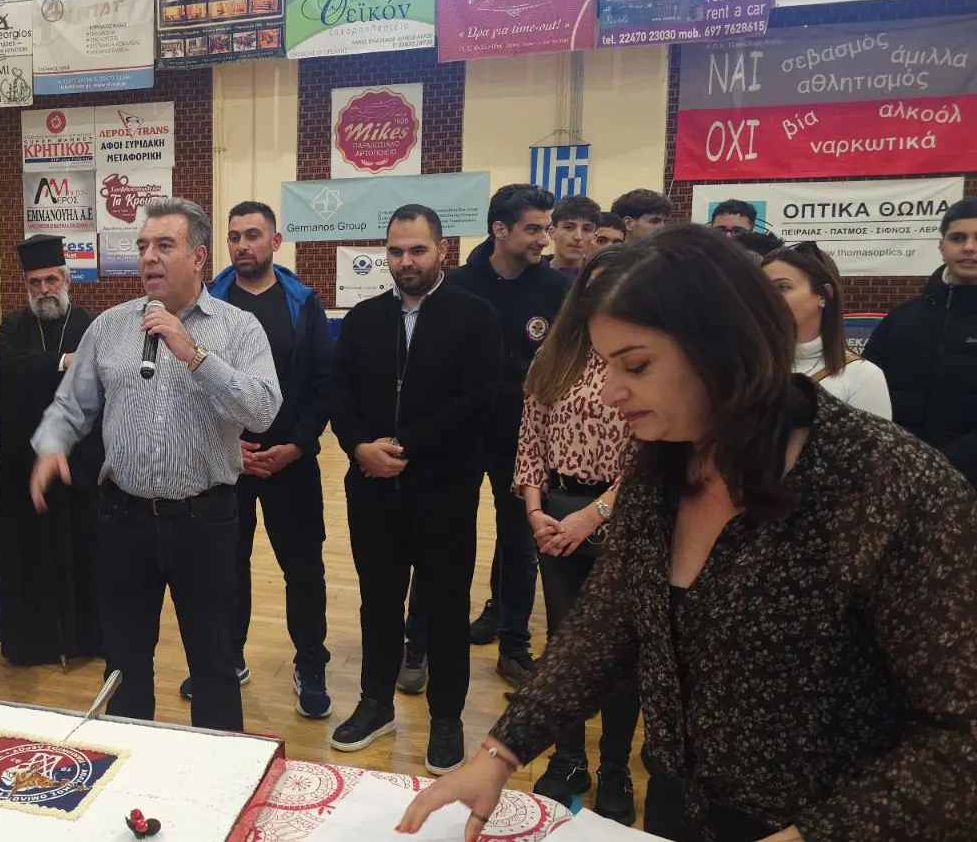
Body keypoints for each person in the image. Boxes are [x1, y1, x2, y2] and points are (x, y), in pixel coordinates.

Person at [399, 224, 977, 842]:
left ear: (724, 346)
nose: (611, 392)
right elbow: (607, 624)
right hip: (681, 801)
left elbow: (958, 740)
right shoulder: (663, 466)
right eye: (605, 364)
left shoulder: (893, 485)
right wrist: (500, 752)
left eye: (636, 365)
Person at [30, 197, 281, 732]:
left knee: (214, 664)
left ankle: (220, 770)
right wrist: (52, 445)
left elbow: (262, 410)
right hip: (123, 521)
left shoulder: (239, 329)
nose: (149, 257)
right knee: (123, 666)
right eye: (143, 246)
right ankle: (129, 767)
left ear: (198, 257)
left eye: (165, 246)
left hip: (205, 522)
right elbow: (71, 406)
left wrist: (194, 354)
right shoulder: (111, 327)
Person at [327, 204, 501, 773]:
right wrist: (359, 446)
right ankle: (375, 703)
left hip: (443, 490)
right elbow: (339, 392)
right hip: (371, 489)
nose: (406, 261)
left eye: (417, 250)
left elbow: (477, 402)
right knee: (378, 602)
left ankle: (446, 718)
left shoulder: (475, 316)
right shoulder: (363, 318)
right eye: (396, 251)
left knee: (446, 608)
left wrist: (405, 448)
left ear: (441, 250)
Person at [513, 248, 640, 824]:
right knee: (566, 643)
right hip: (556, 513)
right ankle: (568, 759)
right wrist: (535, 510)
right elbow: (530, 439)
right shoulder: (555, 352)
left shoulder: (645, 355)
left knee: (619, 649)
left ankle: (614, 766)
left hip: (622, 513)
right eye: (594, 284)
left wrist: (597, 514)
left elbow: (656, 454)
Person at [202, 200, 334, 719]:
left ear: (275, 242)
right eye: (234, 236)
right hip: (226, 463)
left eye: (253, 235)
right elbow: (192, 384)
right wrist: (227, 445)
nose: (242, 245)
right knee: (223, 567)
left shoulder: (303, 302)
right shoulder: (209, 302)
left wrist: (296, 445)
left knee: (303, 570)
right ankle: (226, 657)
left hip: (291, 463)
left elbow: (323, 382)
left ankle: (311, 663)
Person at [445, 184, 571, 689]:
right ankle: (428, 638)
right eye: (533, 229)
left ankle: (514, 646)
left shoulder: (556, 289)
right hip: (460, 436)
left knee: (519, 544)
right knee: (447, 538)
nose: (545, 238)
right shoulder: (455, 285)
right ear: (500, 229)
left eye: (547, 228)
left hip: (524, 441)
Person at [0, 234, 103, 666]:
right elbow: (7, 363)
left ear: (66, 280)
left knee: (83, 549)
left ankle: (85, 637)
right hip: (24, 461)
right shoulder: (14, 327)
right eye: (35, 283)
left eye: (51, 280)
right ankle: (31, 640)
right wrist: (61, 362)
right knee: (28, 551)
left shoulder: (90, 325)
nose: (44, 290)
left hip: (79, 461)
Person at [864, 197, 977, 488]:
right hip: (898, 478)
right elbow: (867, 392)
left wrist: (944, 466)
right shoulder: (902, 317)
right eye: (958, 238)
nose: (969, 247)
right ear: (942, 246)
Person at [762, 241, 891, 420]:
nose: (768, 297)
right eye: (762, 289)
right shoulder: (747, 368)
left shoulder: (862, 376)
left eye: (782, 287)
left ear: (824, 294)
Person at [547, 195, 601, 277]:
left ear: (594, 237)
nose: (578, 237)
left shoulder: (600, 279)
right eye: (569, 228)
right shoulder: (531, 272)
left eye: (586, 229)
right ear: (552, 232)